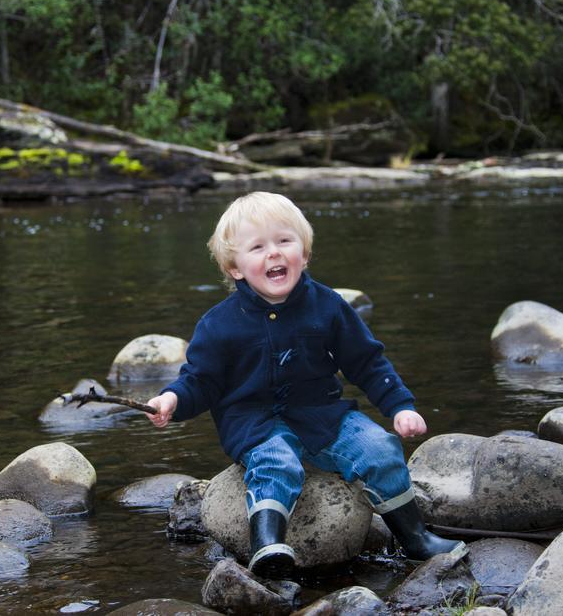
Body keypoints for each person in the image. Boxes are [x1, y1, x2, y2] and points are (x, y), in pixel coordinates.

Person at [147, 191, 464, 578]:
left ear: (305, 253)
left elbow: (365, 361)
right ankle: (267, 543)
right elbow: (201, 381)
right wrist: (172, 400)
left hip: (322, 414)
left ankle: (415, 537)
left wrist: (400, 405)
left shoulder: (327, 306)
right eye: (258, 246)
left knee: (379, 447)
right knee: (276, 461)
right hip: (252, 422)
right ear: (235, 268)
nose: (274, 253)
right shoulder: (219, 324)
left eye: (284, 241)